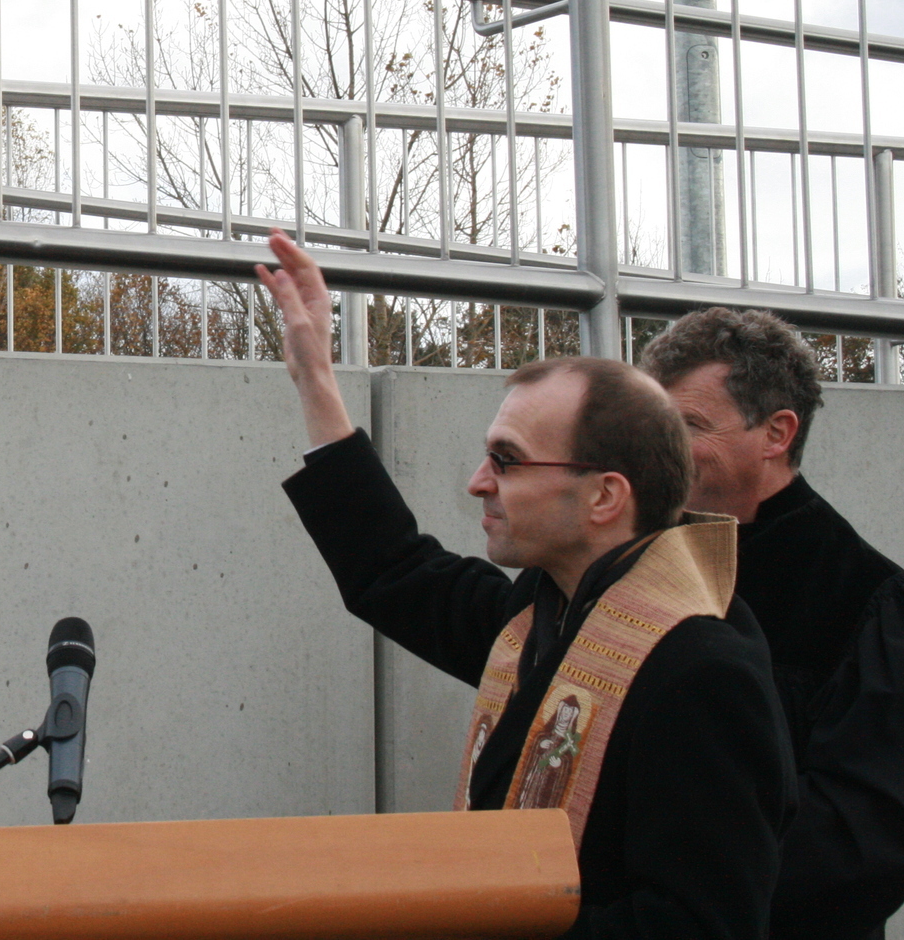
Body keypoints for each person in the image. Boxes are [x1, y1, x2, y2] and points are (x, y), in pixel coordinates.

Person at [256, 231, 795, 940]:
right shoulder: (543, 614)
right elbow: (396, 572)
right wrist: (315, 379)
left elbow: (698, 924)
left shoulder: (699, 672)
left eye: (507, 460)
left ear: (605, 496)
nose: (478, 482)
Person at [641, 309, 904, 940]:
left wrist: (650, 893)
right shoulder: (630, 569)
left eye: (686, 426)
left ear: (777, 432)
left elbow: (858, 853)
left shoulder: (882, 616)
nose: (658, 452)